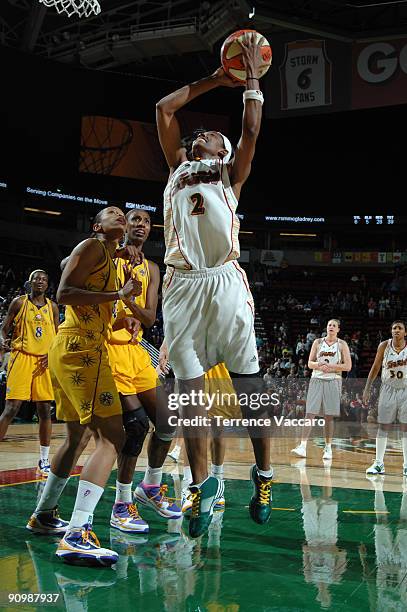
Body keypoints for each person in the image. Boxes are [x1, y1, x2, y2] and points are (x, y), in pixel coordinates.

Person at [156, 32, 272, 538]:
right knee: (190, 396)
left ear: (219, 149)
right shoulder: (177, 170)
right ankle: (201, 488)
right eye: (196, 136)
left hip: (224, 283)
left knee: (248, 387)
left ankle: (264, 473)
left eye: (207, 136)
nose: (199, 137)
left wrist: (249, 79)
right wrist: (214, 79)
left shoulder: (231, 174)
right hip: (182, 288)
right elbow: (164, 108)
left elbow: (250, 129)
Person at [26, 207, 142, 567]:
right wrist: (120, 294)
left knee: (76, 438)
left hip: (74, 347)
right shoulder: (92, 245)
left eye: (124, 214)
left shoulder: (105, 254)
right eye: (112, 214)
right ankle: (77, 533)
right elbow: (65, 293)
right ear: (97, 226)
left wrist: (123, 316)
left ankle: (44, 515)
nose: (120, 216)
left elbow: (87, 295)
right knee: (114, 438)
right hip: (83, 351)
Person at [107, 209, 181, 533]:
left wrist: (131, 302)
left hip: (136, 352)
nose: (141, 225)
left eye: (147, 222)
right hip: (108, 349)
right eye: (134, 219)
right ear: (124, 226)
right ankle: (121, 504)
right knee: (136, 427)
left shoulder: (152, 267)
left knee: (168, 423)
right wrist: (121, 296)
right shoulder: (108, 258)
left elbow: (150, 317)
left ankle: (150, 486)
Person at [0, 269, 59, 476]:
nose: (40, 282)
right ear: (30, 282)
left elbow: (58, 336)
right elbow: (4, 328)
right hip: (21, 356)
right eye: (36, 279)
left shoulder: (52, 307)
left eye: (44, 279)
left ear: (47, 284)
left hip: (44, 361)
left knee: (44, 410)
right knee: (11, 408)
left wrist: (52, 355)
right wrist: (2, 340)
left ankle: (44, 460)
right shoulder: (19, 302)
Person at [291, 319, 352, 461]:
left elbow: (347, 366)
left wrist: (332, 367)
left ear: (338, 329)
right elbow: (309, 363)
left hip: (333, 380)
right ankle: (302, 446)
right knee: (309, 413)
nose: (331, 327)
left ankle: (328, 448)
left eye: (334, 325)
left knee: (328, 416)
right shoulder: (317, 342)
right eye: (329, 325)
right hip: (317, 379)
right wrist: (319, 365)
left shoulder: (342, 344)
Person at [363, 321, 407, 477]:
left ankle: (406, 465)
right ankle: (379, 464)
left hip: (405, 389)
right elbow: (375, 368)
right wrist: (367, 388)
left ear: (405, 333)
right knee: (383, 426)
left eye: (400, 328)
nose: (396, 330)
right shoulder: (384, 346)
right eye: (394, 328)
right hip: (387, 389)